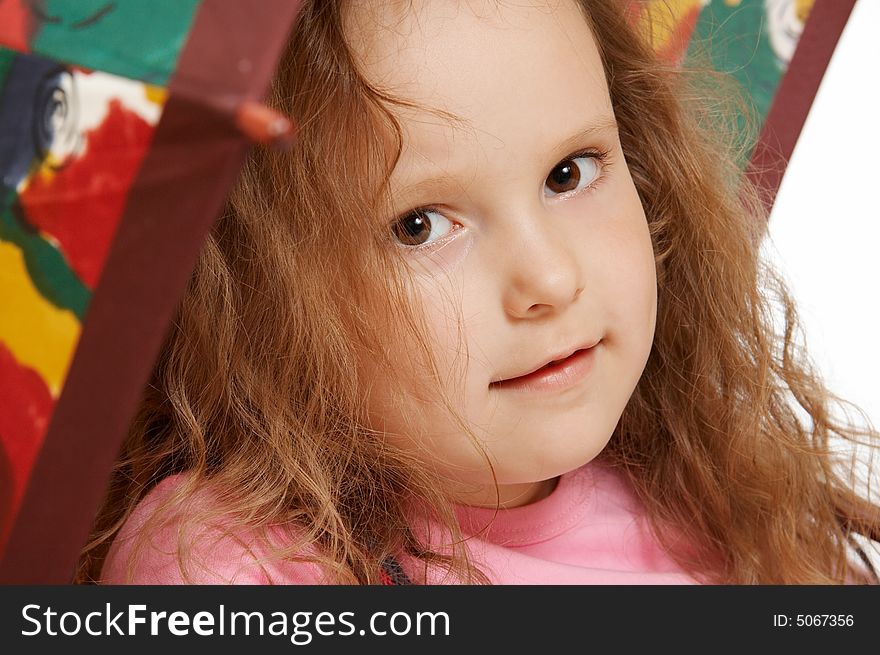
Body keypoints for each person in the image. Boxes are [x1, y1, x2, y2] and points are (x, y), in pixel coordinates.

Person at [78, 0, 880, 585]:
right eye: (420, 225)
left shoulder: (719, 501)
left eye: (571, 172)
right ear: (258, 293)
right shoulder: (230, 564)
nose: (550, 280)